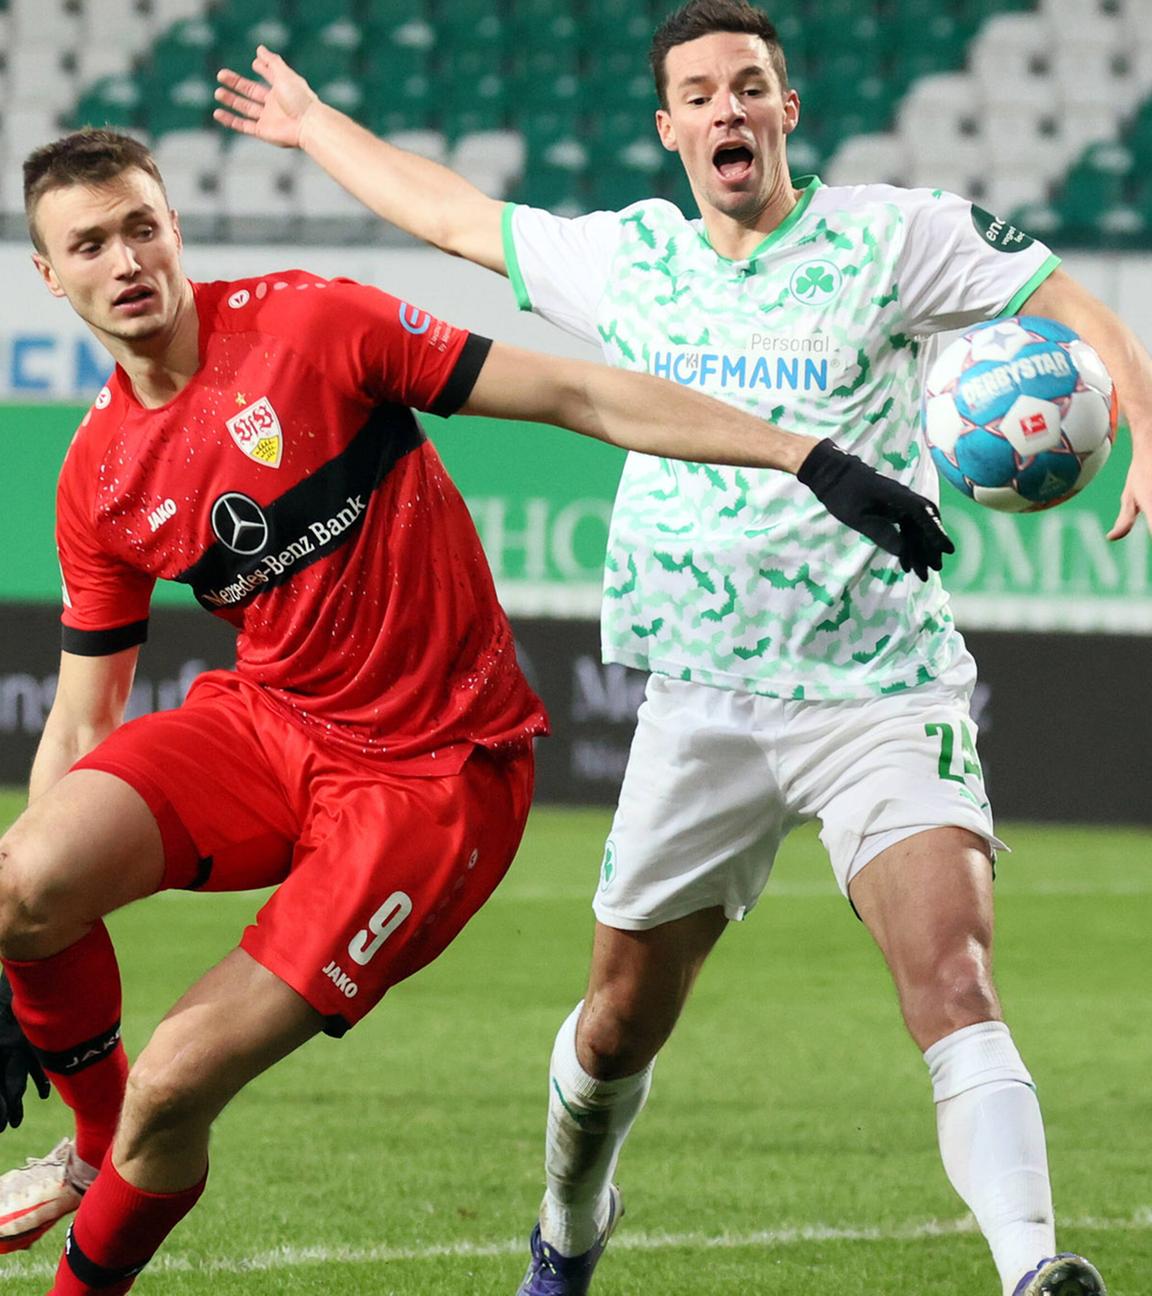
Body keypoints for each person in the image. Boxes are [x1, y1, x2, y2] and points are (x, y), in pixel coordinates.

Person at [207, 4, 1137, 1293]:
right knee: (616, 1025)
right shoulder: (627, 260)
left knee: (956, 976)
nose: (727, 110)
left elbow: (1066, 300)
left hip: (880, 686)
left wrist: (1135, 410)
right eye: (699, 93)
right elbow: (455, 220)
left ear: (787, 107)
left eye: (749, 86)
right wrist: (313, 127)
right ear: (670, 129)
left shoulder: (891, 235)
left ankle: (1034, 1271)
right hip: (703, 702)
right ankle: (569, 1231)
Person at [0, 126, 951, 1295]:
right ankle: (93, 1151)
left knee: (174, 1084)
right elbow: (84, 721)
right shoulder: (98, 473)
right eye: (89, 244)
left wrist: (803, 455)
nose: (126, 259)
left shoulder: (312, 324)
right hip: (270, 723)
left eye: (142, 226)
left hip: (433, 773)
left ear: (175, 229)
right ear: (50, 274)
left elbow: (574, 390)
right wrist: (18, 950)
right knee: (17, 886)